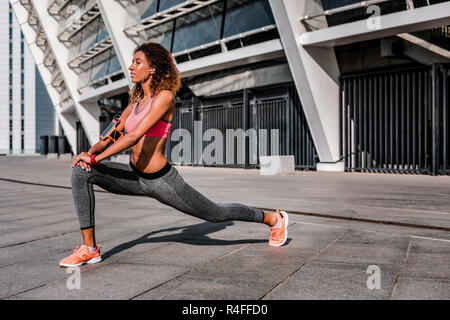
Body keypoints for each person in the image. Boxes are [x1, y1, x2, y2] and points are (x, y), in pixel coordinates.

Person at [59, 42, 288, 268]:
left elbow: (134, 136)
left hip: (162, 182)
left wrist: (96, 159)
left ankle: (273, 219)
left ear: (153, 69)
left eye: (137, 62)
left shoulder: (164, 98)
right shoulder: (134, 103)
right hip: (134, 177)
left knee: (215, 213)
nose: (131, 67)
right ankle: (89, 249)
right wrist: (89, 154)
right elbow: (109, 136)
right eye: (132, 62)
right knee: (82, 172)